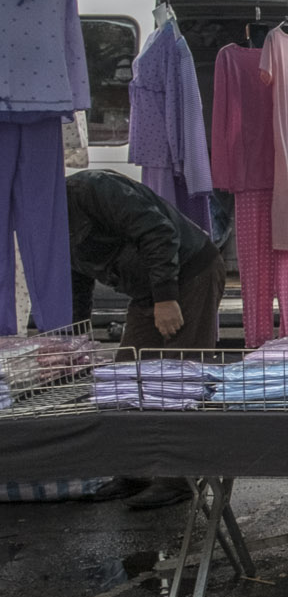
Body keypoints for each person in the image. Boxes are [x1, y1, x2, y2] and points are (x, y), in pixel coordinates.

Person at [67, 168, 224, 509]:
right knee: (127, 376)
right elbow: (76, 279)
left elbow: (158, 231)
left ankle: (178, 479)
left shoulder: (91, 189)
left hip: (189, 272)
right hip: (144, 290)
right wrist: (73, 340)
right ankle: (133, 470)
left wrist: (166, 298)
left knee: (178, 377)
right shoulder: (44, 224)